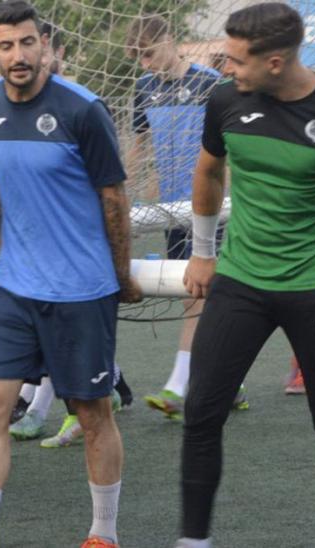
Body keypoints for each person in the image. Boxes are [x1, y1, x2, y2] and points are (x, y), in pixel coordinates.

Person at [175, 4, 315, 547]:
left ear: (276, 61)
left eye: (238, 59)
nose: (227, 67)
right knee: (200, 410)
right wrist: (202, 251)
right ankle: (193, 540)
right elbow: (209, 170)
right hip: (241, 278)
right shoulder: (224, 100)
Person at [0, 3, 140, 547]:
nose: (18, 55)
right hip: (13, 287)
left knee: (91, 414)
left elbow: (114, 196)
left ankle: (103, 533)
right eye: (6, 46)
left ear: (45, 46)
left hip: (81, 289)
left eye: (27, 43)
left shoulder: (83, 109)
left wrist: (122, 276)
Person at [122, 15, 249, 420]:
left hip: (212, 208)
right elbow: (140, 146)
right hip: (173, 212)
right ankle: (228, 384)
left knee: (202, 292)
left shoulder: (212, 83)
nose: (146, 64)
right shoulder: (145, 88)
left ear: (170, 40)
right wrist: (123, 192)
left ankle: (178, 384)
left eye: (148, 53)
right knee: (205, 295)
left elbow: (230, 146)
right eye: (138, 58)